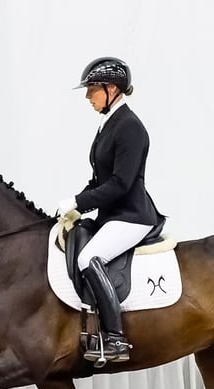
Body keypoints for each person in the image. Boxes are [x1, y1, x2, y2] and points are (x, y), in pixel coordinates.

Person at [57, 57, 165, 364]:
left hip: (132, 215)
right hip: (112, 214)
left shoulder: (130, 127)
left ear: (111, 88)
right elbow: (99, 180)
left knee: (88, 258)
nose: (88, 96)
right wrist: (78, 206)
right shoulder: (108, 126)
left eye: (92, 89)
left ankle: (116, 338)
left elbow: (120, 183)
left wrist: (79, 202)